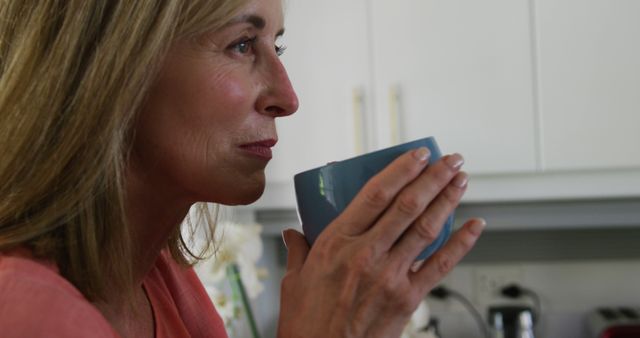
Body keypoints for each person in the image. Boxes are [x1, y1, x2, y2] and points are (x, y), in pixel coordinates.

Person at [0, 0, 485, 337]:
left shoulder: (160, 283)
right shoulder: (28, 312)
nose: (287, 98)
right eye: (242, 44)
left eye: (278, 46)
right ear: (113, 66)